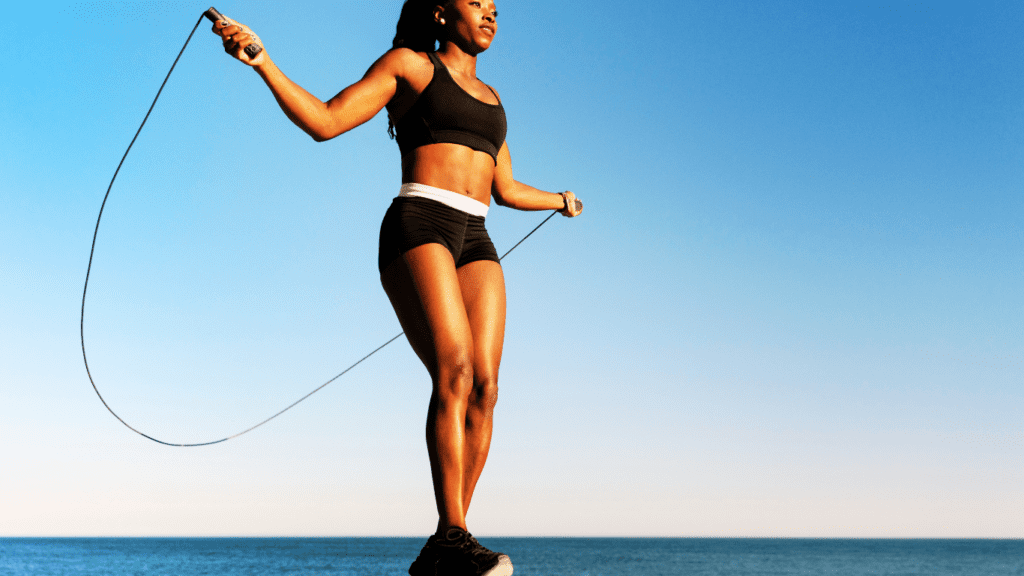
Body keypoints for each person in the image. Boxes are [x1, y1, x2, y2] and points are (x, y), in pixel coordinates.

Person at [212, 1, 582, 574]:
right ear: (439, 13)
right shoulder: (410, 66)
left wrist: (559, 199)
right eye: (475, 2)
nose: (490, 13)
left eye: (495, 7)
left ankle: (448, 538)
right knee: (454, 369)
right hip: (419, 223)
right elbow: (326, 121)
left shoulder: (494, 100)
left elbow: (504, 188)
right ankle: (453, 535)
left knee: (486, 388)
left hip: (476, 235)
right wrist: (263, 62)